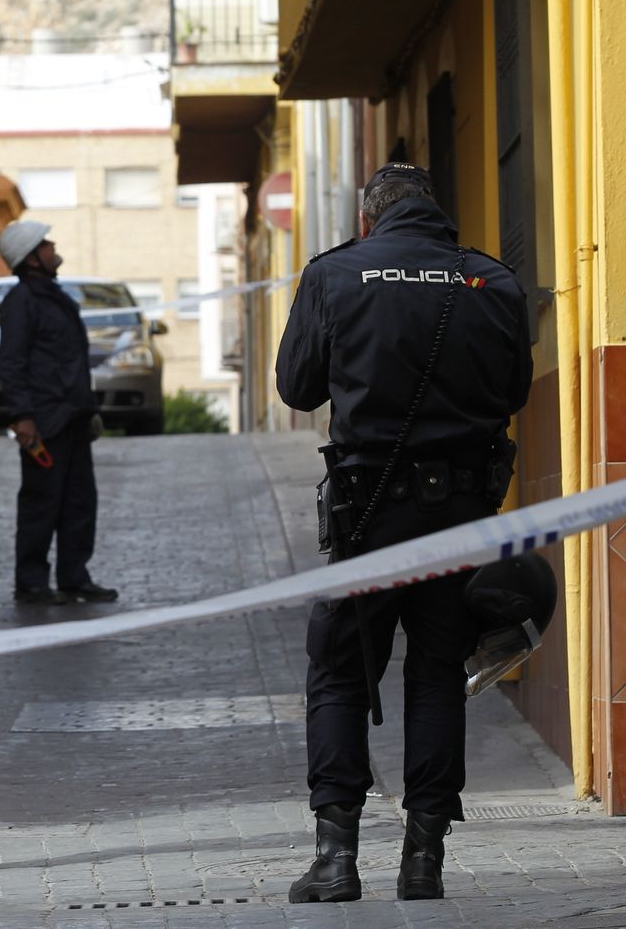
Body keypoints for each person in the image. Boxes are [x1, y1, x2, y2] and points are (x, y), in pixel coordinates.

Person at [276, 162, 533, 903]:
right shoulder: (492, 281)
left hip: (367, 515)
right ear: (434, 211)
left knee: (337, 670)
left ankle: (335, 858)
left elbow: (297, 386)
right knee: (435, 672)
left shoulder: (336, 274)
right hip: (459, 515)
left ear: (370, 219)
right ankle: (424, 859)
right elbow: (513, 391)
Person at [0, 220, 118, 606]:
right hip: (45, 421)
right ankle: (31, 582)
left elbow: (70, 359)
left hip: (73, 416)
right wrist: (24, 417)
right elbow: (11, 364)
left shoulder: (54, 297)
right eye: (45, 245)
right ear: (30, 258)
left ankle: (73, 578)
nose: (52, 248)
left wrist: (88, 408)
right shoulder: (21, 302)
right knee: (40, 503)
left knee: (80, 502)